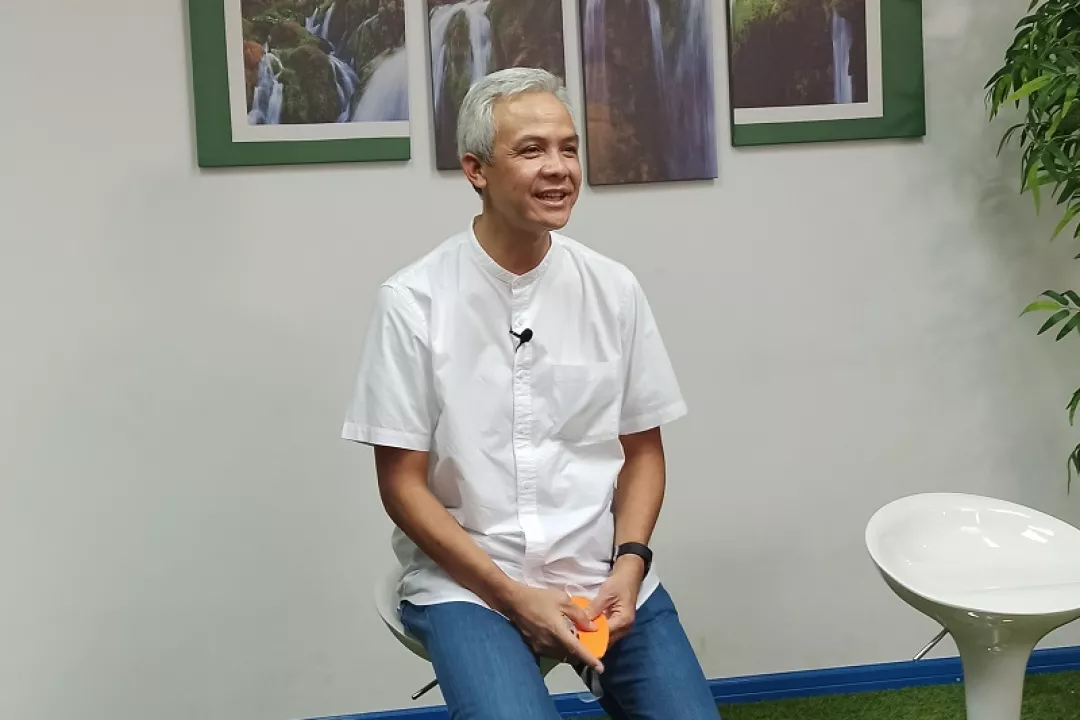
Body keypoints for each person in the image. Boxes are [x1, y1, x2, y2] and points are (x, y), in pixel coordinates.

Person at [341, 67, 719, 719]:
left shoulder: (613, 289)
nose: (559, 169)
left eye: (569, 148)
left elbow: (642, 452)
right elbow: (401, 485)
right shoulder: (413, 301)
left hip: (602, 572)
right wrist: (513, 596)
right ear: (476, 170)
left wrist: (630, 563)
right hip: (471, 584)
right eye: (531, 150)